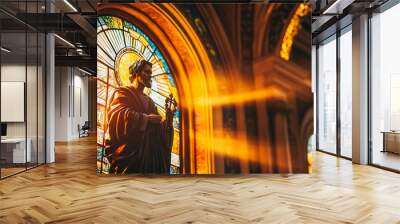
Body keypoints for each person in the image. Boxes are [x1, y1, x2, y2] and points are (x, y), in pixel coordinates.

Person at [105, 59, 174, 174]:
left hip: (149, 156)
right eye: (146, 72)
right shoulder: (122, 92)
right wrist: (145, 119)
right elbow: (117, 115)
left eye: (150, 73)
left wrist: (168, 121)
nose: (149, 76)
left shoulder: (150, 102)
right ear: (136, 73)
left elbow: (158, 132)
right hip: (130, 154)